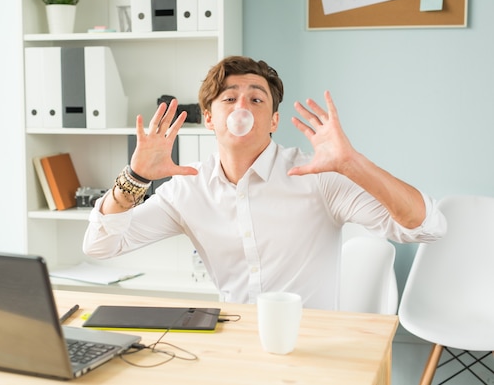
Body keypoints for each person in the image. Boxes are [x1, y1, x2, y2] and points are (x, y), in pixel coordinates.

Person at [83, 56, 446, 309]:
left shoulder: (318, 178)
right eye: (230, 98)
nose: (243, 106)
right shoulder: (188, 188)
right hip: (236, 345)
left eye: (256, 98)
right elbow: (100, 247)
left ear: (273, 120)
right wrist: (136, 178)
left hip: (310, 348)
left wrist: (353, 164)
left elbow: (428, 226)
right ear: (209, 118)